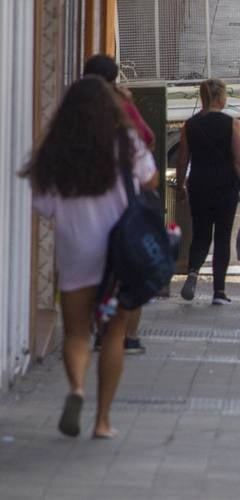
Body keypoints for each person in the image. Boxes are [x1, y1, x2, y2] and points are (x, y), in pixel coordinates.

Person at [24, 76, 158, 439]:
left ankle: (77, 390)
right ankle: (102, 421)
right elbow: (151, 180)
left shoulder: (57, 148)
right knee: (113, 335)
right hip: (118, 255)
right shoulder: (125, 143)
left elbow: (43, 204)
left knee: (77, 334)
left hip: (75, 253)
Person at [82, 55, 151, 356]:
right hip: (123, 205)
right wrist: (130, 105)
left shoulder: (77, 109)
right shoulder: (120, 108)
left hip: (87, 206)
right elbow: (146, 140)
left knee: (97, 272)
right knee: (130, 271)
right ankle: (129, 337)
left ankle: (100, 332)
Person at [175, 79, 240, 306]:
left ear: (202, 98)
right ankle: (219, 292)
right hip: (225, 186)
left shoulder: (189, 125)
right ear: (221, 98)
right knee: (222, 237)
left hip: (199, 186)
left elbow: (182, 160)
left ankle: (193, 272)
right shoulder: (231, 124)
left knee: (201, 235)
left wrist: (181, 185)